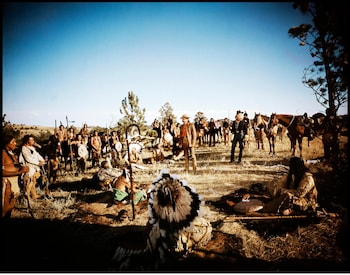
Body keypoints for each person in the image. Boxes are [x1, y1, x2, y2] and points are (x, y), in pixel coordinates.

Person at [2, 135, 30, 218]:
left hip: (14, 183)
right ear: (7, 144)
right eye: (13, 142)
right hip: (5, 183)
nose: (15, 143)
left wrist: (23, 169)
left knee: (10, 206)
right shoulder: (2, 154)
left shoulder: (12, 153)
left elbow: (15, 166)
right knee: (4, 207)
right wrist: (19, 172)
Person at [19, 135, 46, 200]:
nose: (33, 141)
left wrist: (42, 160)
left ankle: (34, 195)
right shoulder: (24, 148)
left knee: (33, 181)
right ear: (27, 141)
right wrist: (38, 163)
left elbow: (37, 155)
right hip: (29, 166)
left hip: (35, 166)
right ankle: (26, 196)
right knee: (29, 181)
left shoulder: (32, 148)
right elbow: (28, 158)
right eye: (31, 140)